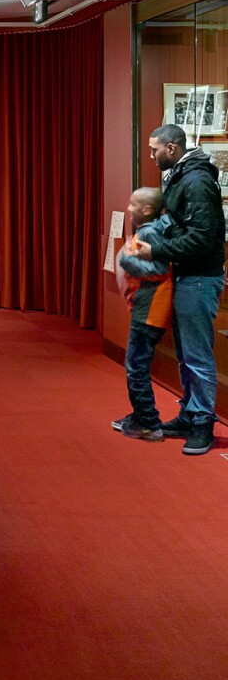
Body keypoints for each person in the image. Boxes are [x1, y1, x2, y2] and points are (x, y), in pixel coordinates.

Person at [132, 124, 225, 455]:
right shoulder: (184, 176)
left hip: (200, 277)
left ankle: (202, 423)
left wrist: (154, 250)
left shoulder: (196, 181)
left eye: (154, 149)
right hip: (189, 275)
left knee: (197, 355)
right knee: (188, 355)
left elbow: (201, 237)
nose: (152, 155)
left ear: (171, 149)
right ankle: (190, 414)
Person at [111, 187, 172, 442]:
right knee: (136, 365)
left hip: (150, 311)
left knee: (136, 367)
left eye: (133, 205)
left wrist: (126, 260)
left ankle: (149, 423)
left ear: (147, 210)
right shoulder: (151, 229)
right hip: (145, 308)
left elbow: (158, 269)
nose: (128, 209)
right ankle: (140, 416)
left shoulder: (150, 231)